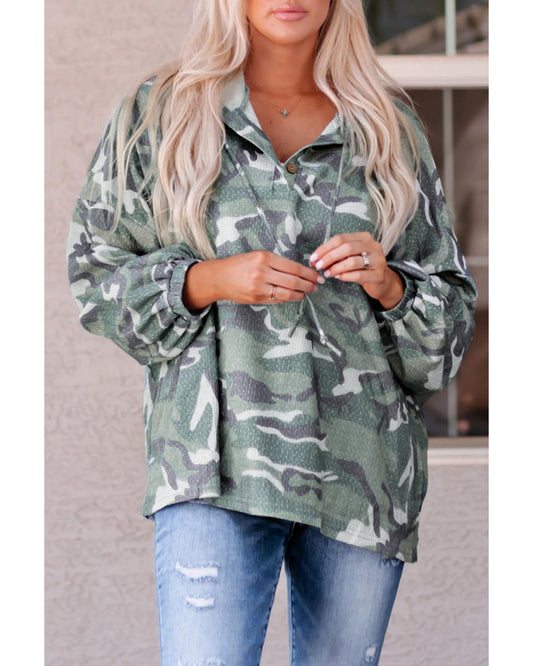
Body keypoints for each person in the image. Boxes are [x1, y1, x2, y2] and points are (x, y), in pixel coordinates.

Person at [66, 1, 477, 664]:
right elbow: (96, 279)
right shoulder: (161, 114)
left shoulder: (387, 127)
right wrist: (207, 280)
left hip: (361, 472)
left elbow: (445, 337)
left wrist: (388, 284)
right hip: (213, 470)